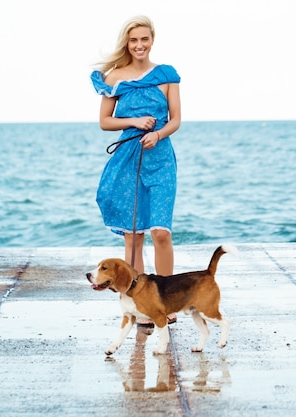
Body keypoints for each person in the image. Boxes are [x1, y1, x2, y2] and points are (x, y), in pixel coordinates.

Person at [90, 16, 181, 325]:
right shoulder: (114, 77)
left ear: (151, 40)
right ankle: (139, 305)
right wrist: (134, 122)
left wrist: (158, 134)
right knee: (133, 238)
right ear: (126, 43)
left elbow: (176, 120)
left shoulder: (167, 75)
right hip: (127, 158)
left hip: (161, 158)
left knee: (160, 233)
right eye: (133, 40)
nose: (139, 45)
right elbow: (105, 121)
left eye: (144, 39)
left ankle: (166, 304)